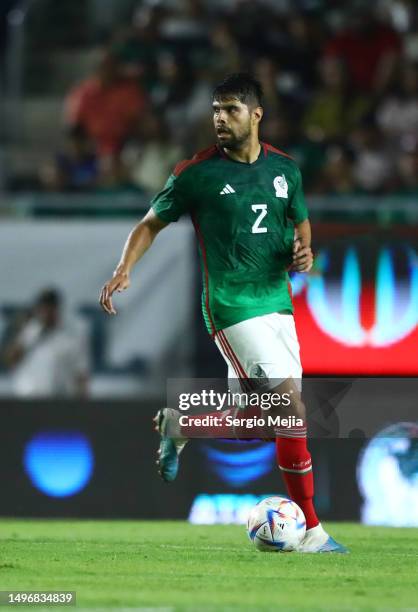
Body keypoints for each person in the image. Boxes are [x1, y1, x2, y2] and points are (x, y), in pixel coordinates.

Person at [99, 73, 347, 553]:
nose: (220, 118)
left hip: (277, 303)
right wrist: (123, 267)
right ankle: (313, 532)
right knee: (291, 408)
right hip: (231, 305)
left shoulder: (286, 170)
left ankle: (182, 426)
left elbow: (300, 223)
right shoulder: (197, 173)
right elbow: (151, 223)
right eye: (216, 109)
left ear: (256, 114)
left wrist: (305, 252)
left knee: (256, 415)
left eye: (231, 109)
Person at [3, 289, 89, 397]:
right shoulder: (28, 332)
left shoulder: (70, 337)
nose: (47, 312)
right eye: (44, 308)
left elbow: (81, 373)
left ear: (57, 309)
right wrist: (30, 336)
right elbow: (10, 361)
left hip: (58, 400)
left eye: (51, 307)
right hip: (28, 399)